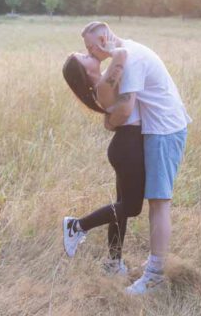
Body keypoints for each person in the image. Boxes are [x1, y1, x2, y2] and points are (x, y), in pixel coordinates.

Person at [80, 21, 191, 295]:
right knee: (153, 202)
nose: (91, 53)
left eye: (90, 47)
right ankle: (153, 265)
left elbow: (124, 109)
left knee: (159, 203)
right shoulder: (128, 54)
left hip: (164, 130)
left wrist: (109, 122)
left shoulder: (130, 59)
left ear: (103, 40)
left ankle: (154, 277)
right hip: (160, 128)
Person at [61, 42, 144, 276]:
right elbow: (122, 54)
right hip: (128, 147)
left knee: (121, 206)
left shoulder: (102, 84)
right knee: (131, 207)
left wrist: (110, 121)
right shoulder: (104, 84)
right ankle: (77, 226)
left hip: (125, 145)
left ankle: (114, 263)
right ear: (85, 71)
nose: (89, 53)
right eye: (85, 56)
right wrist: (107, 47)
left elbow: (112, 120)